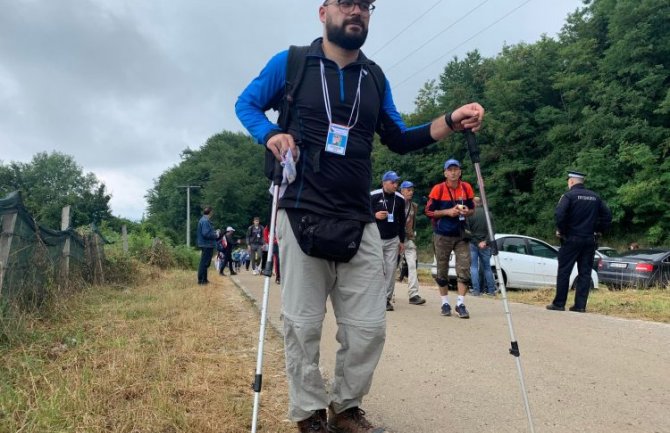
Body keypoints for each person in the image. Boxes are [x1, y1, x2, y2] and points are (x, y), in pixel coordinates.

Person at [235, 0, 484, 429]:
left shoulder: (375, 76)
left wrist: (450, 120)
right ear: (323, 11)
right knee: (302, 325)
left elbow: (400, 137)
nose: (356, 12)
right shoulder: (292, 63)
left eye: (364, 5)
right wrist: (271, 133)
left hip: (359, 218)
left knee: (368, 328)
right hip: (300, 212)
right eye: (345, 3)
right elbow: (246, 105)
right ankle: (309, 412)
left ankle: (345, 407)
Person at [547, 171, 612, 313]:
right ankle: (580, 306)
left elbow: (559, 214)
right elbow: (607, 216)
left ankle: (559, 303)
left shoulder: (568, 196)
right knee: (585, 273)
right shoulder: (596, 197)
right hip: (589, 239)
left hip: (571, 238)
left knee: (564, 271)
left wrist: (562, 230)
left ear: (571, 181)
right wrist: (599, 230)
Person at [425, 159, 475, 318]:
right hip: (442, 234)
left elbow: (472, 208)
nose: (453, 172)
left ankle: (460, 303)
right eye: (450, 170)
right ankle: (444, 302)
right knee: (442, 268)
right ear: (445, 173)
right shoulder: (438, 189)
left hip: (461, 234)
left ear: (460, 171)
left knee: (464, 267)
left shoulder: (466, 187)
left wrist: (467, 211)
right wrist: (447, 212)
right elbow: (428, 212)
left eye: (456, 169)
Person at [371, 171, 406, 311]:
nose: (395, 185)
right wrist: (375, 215)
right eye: (393, 182)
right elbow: (362, 213)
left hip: (393, 239)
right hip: (375, 238)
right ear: (384, 182)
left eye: (397, 182)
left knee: (391, 269)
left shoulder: (400, 199)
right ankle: (372, 296)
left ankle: (386, 298)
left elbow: (402, 221)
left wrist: (402, 241)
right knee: (376, 269)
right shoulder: (373, 196)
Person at [399, 180, 426, 305]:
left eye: (412, 190)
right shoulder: (394, 203)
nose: (411, 192)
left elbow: (412, 223)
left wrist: (411, 235)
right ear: (402, 191)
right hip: (394, 239)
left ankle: (413, 294)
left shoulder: (413, 206)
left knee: (412, 265)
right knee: (390, 267)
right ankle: (385, 295)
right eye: (408, 190)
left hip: (408, 239)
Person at [467, 196, 496, 296]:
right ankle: (491, 291)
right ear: (480, 203)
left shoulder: (469, 214)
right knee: (487, 268)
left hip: (473, 244)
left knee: (474, 267)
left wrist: (476, 242)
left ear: (473, 203)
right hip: (485, 245)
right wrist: (485, 242)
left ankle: (476, 291)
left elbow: (467, 232)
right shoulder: (489, 214)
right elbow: (492, 231)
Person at [196, 206, 218, 285]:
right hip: (206, 244)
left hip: (205, 244)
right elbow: (206, 233)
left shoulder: (204, 220)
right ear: (210, 212)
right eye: (212, 212)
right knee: (204, 262)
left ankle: (204, 279)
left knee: (206, 262)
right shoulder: (205, 221)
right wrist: (216, 234)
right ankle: (201, 280)